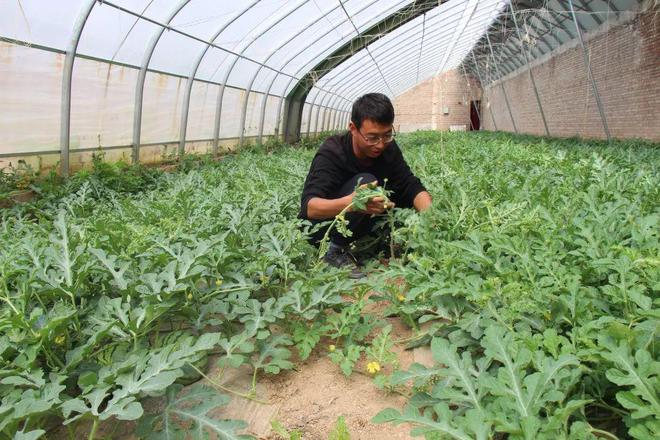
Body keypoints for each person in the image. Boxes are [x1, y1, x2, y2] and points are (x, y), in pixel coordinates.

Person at [299, 93, 432, 278]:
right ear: (353, 128)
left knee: (405, 196)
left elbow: (410, 184)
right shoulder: (332, 152)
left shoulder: (388, 148)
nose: (380, 145)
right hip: (323, 229)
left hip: (357, 223)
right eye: (372, 137)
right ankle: (333, 251)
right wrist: (354, 202)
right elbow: (309, 208)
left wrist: (432, 218)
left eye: (387, 135)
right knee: (367, 183)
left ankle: (393, 238)